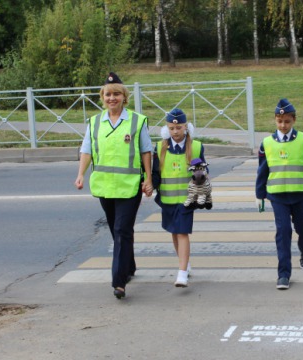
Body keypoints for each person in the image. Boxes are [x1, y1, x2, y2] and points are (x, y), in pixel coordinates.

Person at [74, 72, 154, 299]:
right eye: (108, 94)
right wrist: (80, 174)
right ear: (102, 97)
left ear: (124, 97)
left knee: (121, 230)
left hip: (129, 186)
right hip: (105, 186)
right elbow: (87, 150)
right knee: (116, 230)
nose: (112, 98)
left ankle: (119, 282)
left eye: (116, 94)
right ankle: (129, 266)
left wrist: (148, 178)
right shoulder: (95, 122)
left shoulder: (136, 121)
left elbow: (147, 151)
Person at [255, 98, 303, 290]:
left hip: (300, 194)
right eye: (279, 121)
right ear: (275, 121)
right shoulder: (267, 143)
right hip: (277, 196)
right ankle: (284, 274)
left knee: (302, 228)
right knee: (283, 231)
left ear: (294, 120)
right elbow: (262, 171)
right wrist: (259, 195)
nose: (283, 125)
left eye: (287, 121)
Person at [151, 108, 207, 288]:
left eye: (179, 128)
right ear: (167, 129)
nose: (175, 132)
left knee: (182, 232)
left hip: (186, 200)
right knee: (174, 232)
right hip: (167, 199)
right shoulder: (160, 147)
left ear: (186, 127)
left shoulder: (196, 147)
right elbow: (156, 173)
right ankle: (185, 263)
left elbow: (202, 171)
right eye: (172, 128)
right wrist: (149, 184)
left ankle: (182, 273)